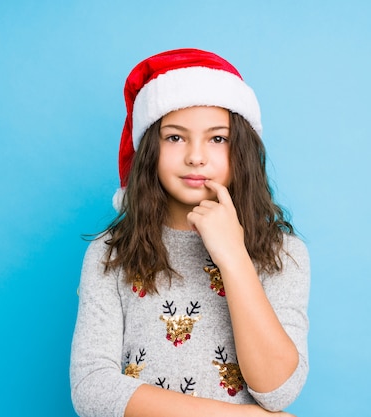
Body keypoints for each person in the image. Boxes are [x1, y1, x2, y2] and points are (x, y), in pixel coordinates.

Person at [70, 48, 310, 417]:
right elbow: (92, 387)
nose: (196, 156)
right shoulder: (110, 254)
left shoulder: (283, 253)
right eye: (175, 138)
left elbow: (278, 391)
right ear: (150, 148)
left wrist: (233, 256)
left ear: (241, 149)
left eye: (217, 139)